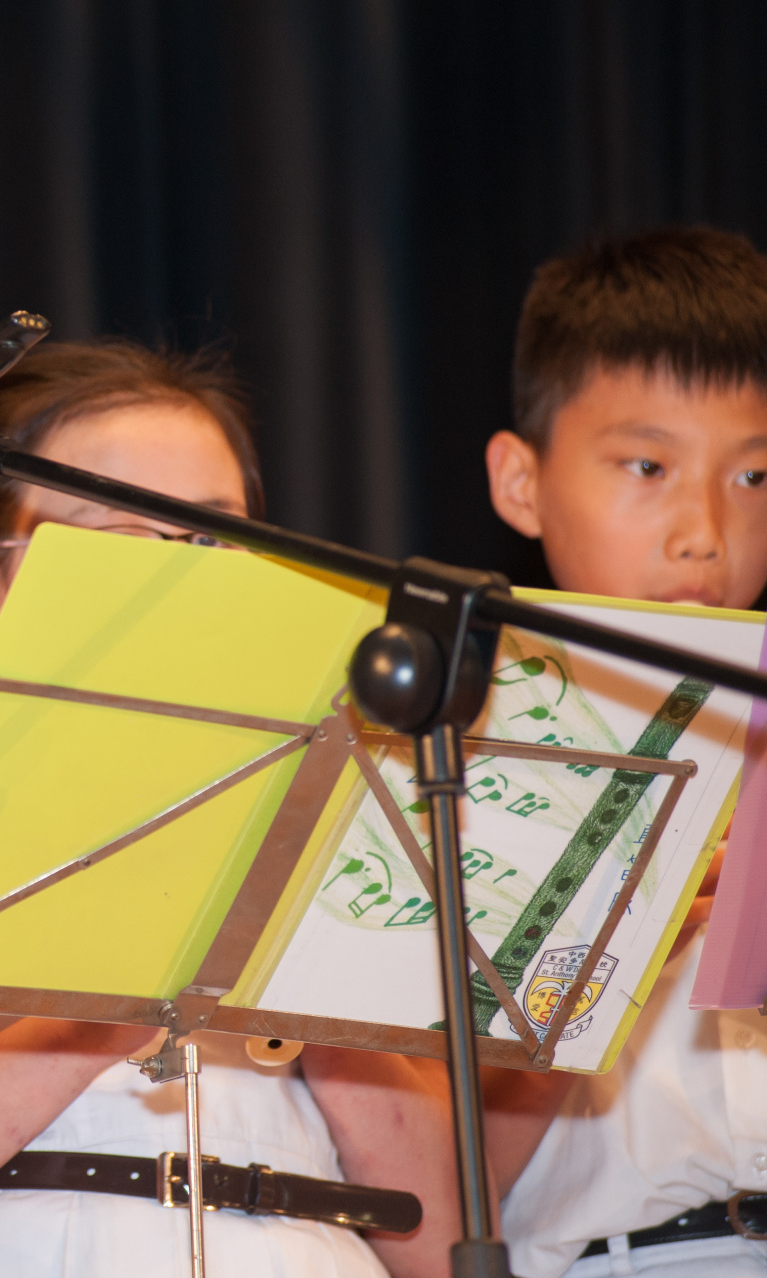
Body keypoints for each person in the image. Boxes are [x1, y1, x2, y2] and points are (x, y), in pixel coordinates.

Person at [0, 339, 402, 1278]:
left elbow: (440, 1239)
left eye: (212, 538)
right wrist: (102, 1018)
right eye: (125, 538)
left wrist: (317, 975)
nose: (188, 577)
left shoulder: (344, 828)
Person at [307, 225, 767, 1278]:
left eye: (754, 475)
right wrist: (618, 948)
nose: (705, 530)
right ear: (521, 482)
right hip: (613, 1259)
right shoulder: (443, 764)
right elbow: (446, 1190)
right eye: (648, 465)